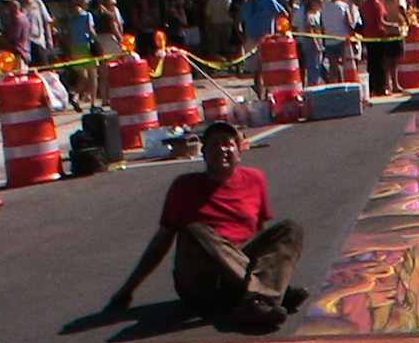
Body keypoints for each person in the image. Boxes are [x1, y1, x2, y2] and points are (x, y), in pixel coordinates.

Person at [105, 121, 307, 330]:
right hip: (202, 282)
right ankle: (268, 293)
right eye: (214, 144)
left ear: (239, 152)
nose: (222, 149)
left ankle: (260, 297)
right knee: (195, 230)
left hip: (237, 270)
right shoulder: (184, 186)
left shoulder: (255, 179)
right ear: (204, 153)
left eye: (228, 144)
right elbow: (162, 241)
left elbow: (261, 233)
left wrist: (271, 269)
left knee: (290, 229)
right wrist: (128, 289)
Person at [238, 0, 287, 96]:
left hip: (267, 39)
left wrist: (279, 32)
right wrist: (242, 36)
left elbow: (283, 14)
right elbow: (239, 21)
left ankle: (271, 93)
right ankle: (260, 94)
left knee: (269, 68)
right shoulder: (246, 5)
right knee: (256, 69)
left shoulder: (267, 0)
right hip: (252, 40)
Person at [66, 0, 97, 109]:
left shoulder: (71, 17)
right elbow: (90, 30)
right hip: (86, 47)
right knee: (93, 75)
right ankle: (93, 102)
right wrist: (96, 41)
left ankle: (75, 95)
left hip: (75, 48)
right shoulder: (87, 15)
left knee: (82, 76)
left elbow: (69, 34)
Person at [20, 0, 55, 66]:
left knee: (43, 67)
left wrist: (49, 41)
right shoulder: (17, 5)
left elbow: (46, 22)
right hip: (24, 44)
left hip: (39, 41)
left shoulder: (38, 2)